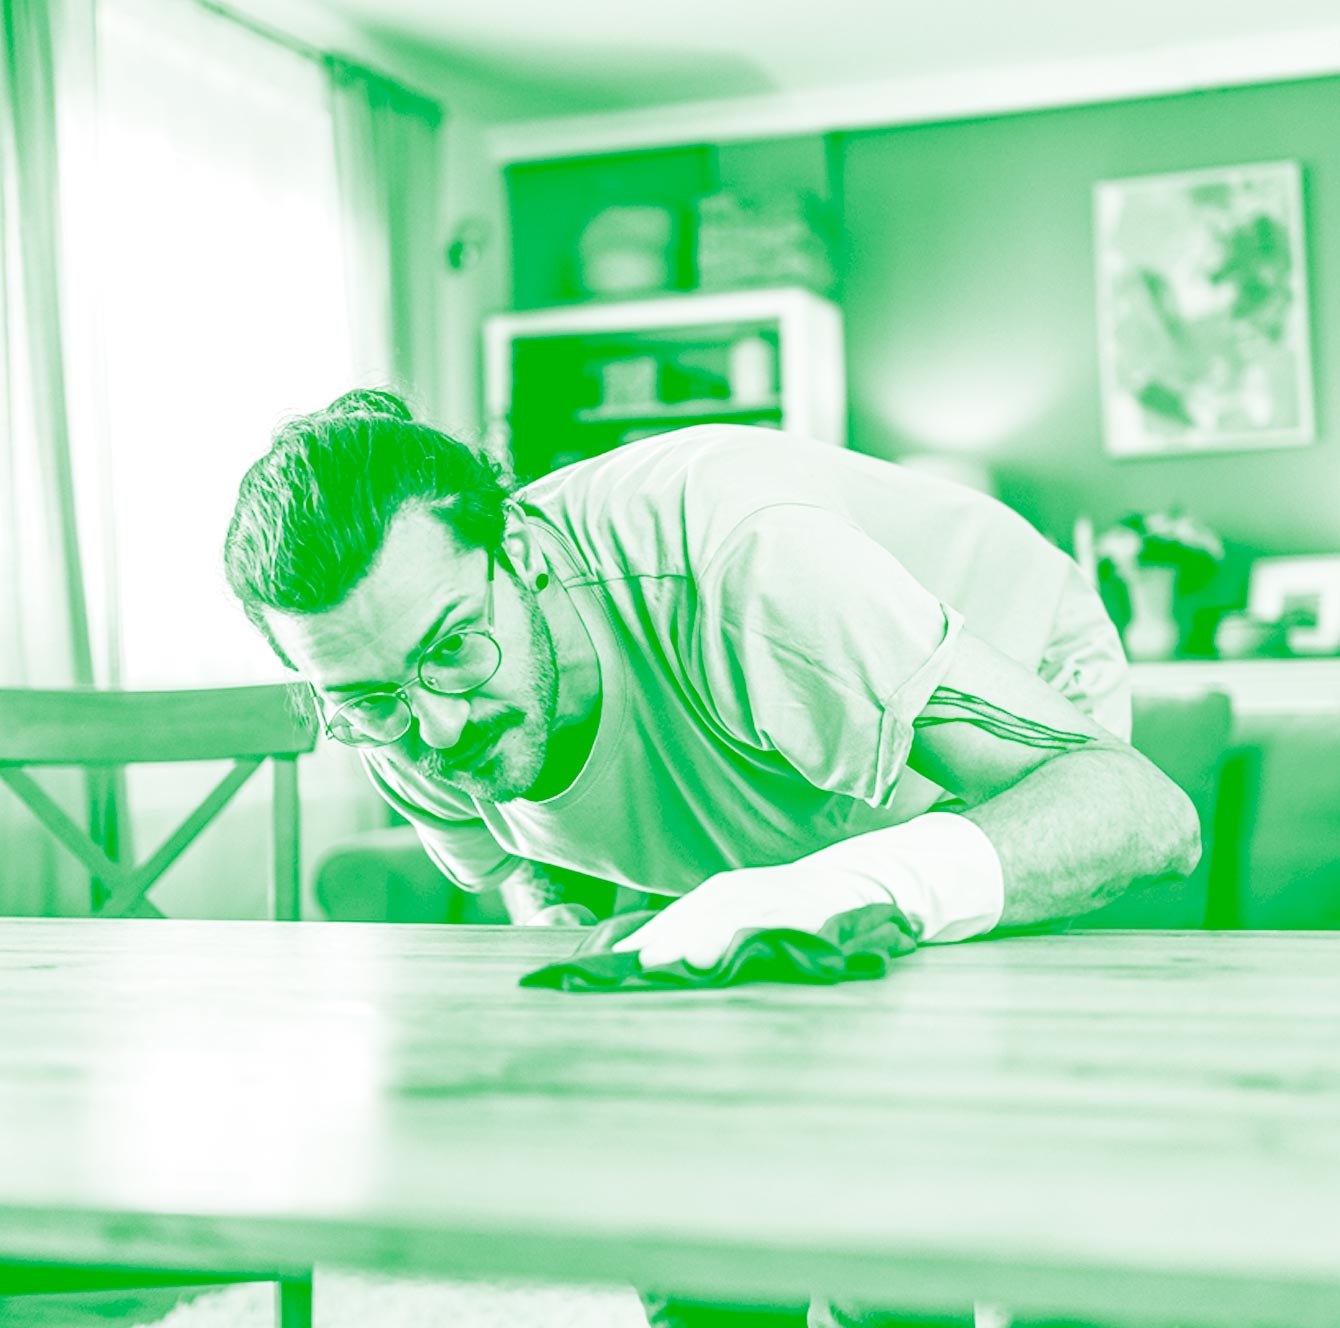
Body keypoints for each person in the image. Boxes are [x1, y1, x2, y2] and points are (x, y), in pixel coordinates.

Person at [223, 389, 1199, 1327]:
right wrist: (586, 961)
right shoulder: (403, 705)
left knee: (902, 1172)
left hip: (1004, 717)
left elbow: (1141, 814)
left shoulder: (744, 559)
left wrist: (827, 887)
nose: (436, 721)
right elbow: (533, 854)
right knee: (688, 1188)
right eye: (367, 698)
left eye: (454, 648)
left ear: (515, 551)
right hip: (774, 788)